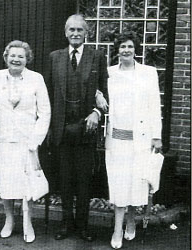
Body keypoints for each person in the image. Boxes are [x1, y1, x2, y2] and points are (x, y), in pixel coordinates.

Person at [46, 14, 108, 242]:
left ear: (86, 33)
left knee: (83, 181)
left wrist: (97, 112)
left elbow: (104, 92)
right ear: (65, 32)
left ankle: (83, 225)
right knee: (64, 180)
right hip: (62, 129)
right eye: (71, 29)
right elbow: (49, 95)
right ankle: (65, 223)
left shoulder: (97, 57)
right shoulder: (55, 57)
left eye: (79, 30)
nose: (75, 33)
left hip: (86, 129)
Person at [105, 31, 162, 249]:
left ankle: (131, 221)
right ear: (117, 50)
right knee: (119, 185)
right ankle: (117, 229)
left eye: (129, 46)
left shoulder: (148, 73)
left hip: (140, 140)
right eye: (122, 47)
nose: (126, 50)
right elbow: (100, 96)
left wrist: (156, 136)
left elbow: (155, 106)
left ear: (135, 49)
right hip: (117, 139)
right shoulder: (109, 73)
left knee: (135, 186)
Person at [0, 40, 51, 243]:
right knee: (6, 182)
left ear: (27, 59)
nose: (16, 59)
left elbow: (45, 112)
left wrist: (35, 140)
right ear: (6, 57)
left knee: (28, 183)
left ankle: (28, 222)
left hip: (28, 141)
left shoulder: (36, 79)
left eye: (21, 56)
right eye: (13, 55)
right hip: (3, 139)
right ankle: (9, 220)